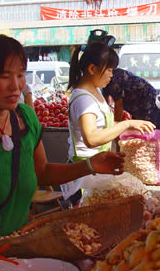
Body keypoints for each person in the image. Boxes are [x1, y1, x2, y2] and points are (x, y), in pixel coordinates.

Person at [0, 35, 125, 238]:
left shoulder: (25, 118)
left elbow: (41, 172)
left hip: (17, 242)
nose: (16, 86)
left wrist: (90, 166)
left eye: (20, 75)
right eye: (4, 76)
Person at [64, 43, 155, 201]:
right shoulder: (84, 100)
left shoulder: (95, 91)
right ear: (92, 69)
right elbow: (91, 138)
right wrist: (125, 124)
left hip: (98, 167)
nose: (112, 75)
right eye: (109, 70)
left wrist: (129, 130)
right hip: (86, 172)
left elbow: (103, 126)